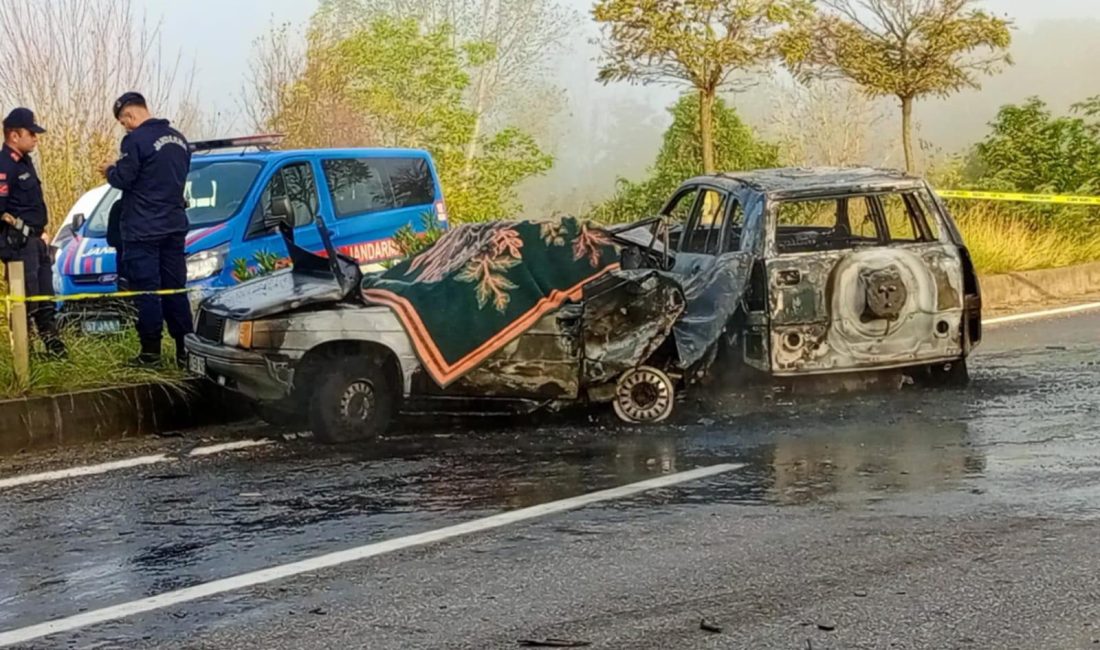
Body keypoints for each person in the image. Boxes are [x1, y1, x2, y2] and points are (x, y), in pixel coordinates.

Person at [98, 92, 192, 368]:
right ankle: (184, 351)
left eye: (123, 121)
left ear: (129, 115)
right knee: (175, 290)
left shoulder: (135, 140)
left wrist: (110, 170)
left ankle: (150, 354)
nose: (124, 127)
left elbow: (124, 179)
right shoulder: (180, 140)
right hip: (174, 227)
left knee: (147, 291)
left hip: (143, 231)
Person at [0, 108, 66, 358]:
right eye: (31, 133)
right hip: (18, 243)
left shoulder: (26, 162)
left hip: (36, 241)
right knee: (24, 301)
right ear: (14, 136)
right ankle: (24, 357)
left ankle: (54, 348)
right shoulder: (4, 165)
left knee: (45, 298)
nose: (36, 138)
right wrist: (19, 229)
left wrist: (41, 231)